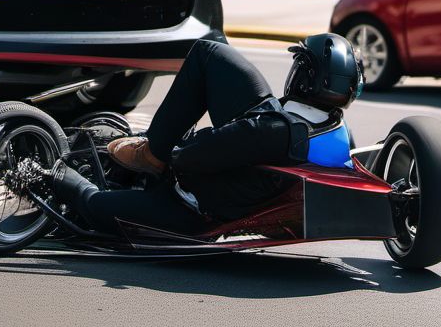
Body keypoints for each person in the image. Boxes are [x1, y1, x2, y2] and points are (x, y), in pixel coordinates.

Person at [49, 33, 363, 235]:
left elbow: (186, 159)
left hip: (192, 208)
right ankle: (150, 150)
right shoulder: (340, 135)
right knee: (210, 51)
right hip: (257, 179)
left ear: (303, 76)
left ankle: (49, 171)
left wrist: (172, 143)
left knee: (92, 206)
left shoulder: (266, 130)